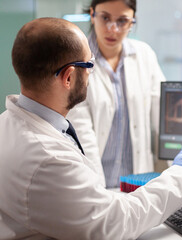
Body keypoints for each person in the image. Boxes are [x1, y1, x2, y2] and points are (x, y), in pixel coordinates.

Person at [0, 17, 182, 239]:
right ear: (68, 77)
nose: (91, 73)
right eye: (89, 65)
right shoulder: (48, 157)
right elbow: (116, 222)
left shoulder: (9, 123)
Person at [66, 0, 166, 189]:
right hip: (96, 183)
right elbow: (82, 133)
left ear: (132, 21)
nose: (113, 29)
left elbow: (162, 115)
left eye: (122, 21)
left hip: (137, 183)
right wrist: (97, 191)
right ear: (92, 15)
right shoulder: (75, 60)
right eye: (105, 18)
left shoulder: (144, 55)